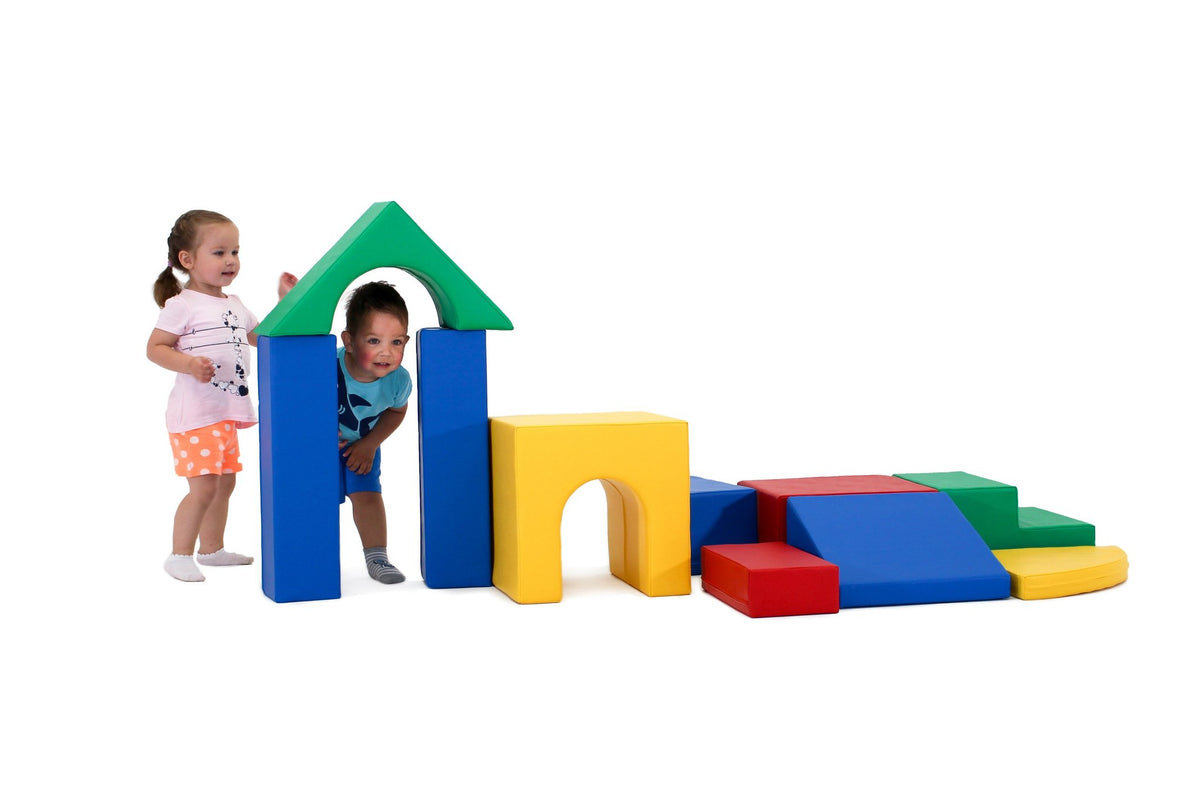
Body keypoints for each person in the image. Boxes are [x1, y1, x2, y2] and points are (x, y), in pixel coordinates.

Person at [147, 210, 297, 582]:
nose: (230, 260)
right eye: (219, 252)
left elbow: (262, 338)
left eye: (235, 251)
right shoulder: (182, 304)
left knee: (224, 482)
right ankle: (178, 555)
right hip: (196, 414)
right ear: (188, 260)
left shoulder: (234, 304)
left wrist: (285, 303)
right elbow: (155, 348)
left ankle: (211, 549)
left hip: (225, 411)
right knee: (203, 487)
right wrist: (188, 364)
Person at [336, 281, 413, 584]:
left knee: (368, 497)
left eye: (396, 342)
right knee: (316, 497)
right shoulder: (326, 365)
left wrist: (370, 444)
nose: (386, 352)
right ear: (350, 342)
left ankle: (377, 557)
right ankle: (312, 556)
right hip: (318, 445)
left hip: (363, 447)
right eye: (373, 340)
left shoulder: (397, 381)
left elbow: (397, 412)